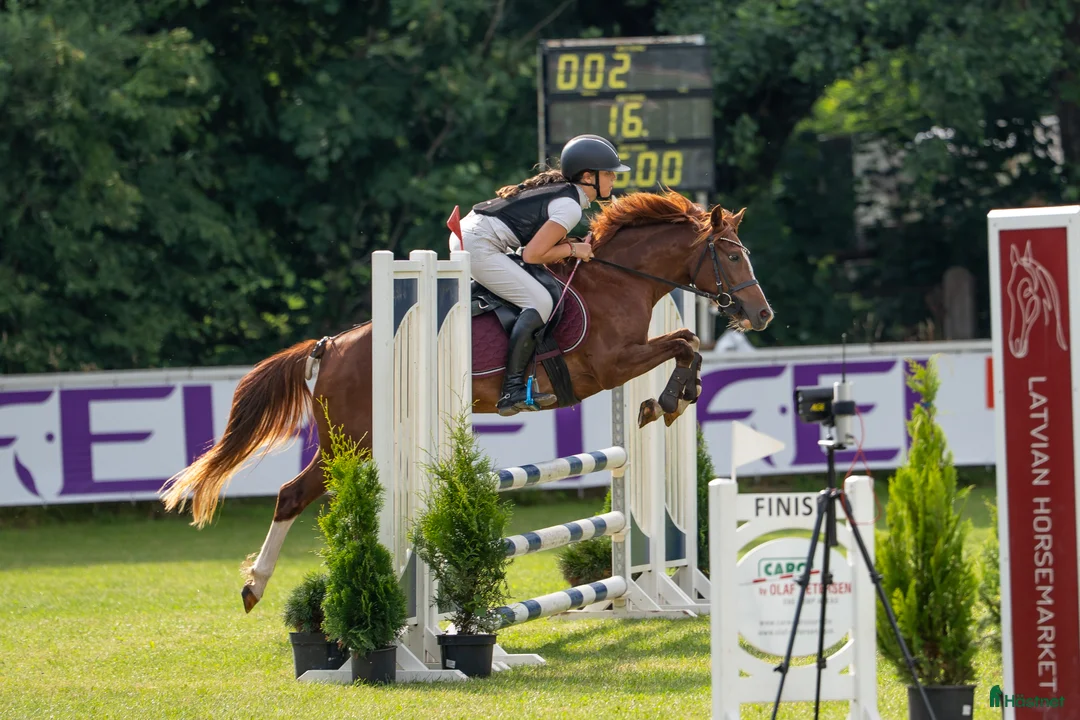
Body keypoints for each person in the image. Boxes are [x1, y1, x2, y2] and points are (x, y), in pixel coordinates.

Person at [449, 134, 630, 416]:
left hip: (474, 236)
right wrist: (573, 248)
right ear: (587, 177)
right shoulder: (569, 206)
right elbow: (532, 255)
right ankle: (511, 390)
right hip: (478, 245)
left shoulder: (567, 197)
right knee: (540, 302)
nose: (613, 180)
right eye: (608, 174)